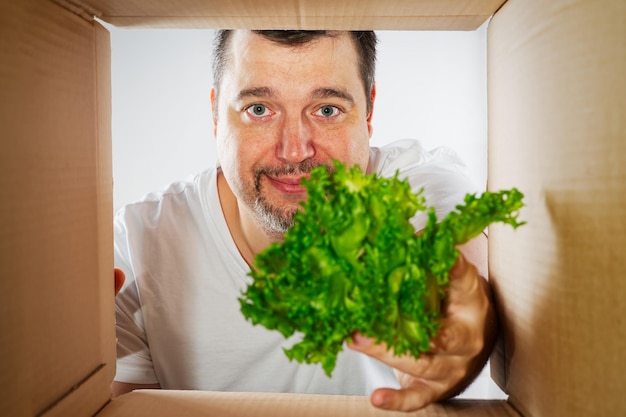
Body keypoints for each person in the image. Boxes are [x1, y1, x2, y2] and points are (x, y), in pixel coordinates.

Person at [111, 30, 496, 412]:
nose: (294, 150)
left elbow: (454, 276)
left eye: (327, 109)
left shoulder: (415, 184)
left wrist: (452, 336)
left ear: (368, 111)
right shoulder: (137, 243)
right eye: (259, 109)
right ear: (215, 115)